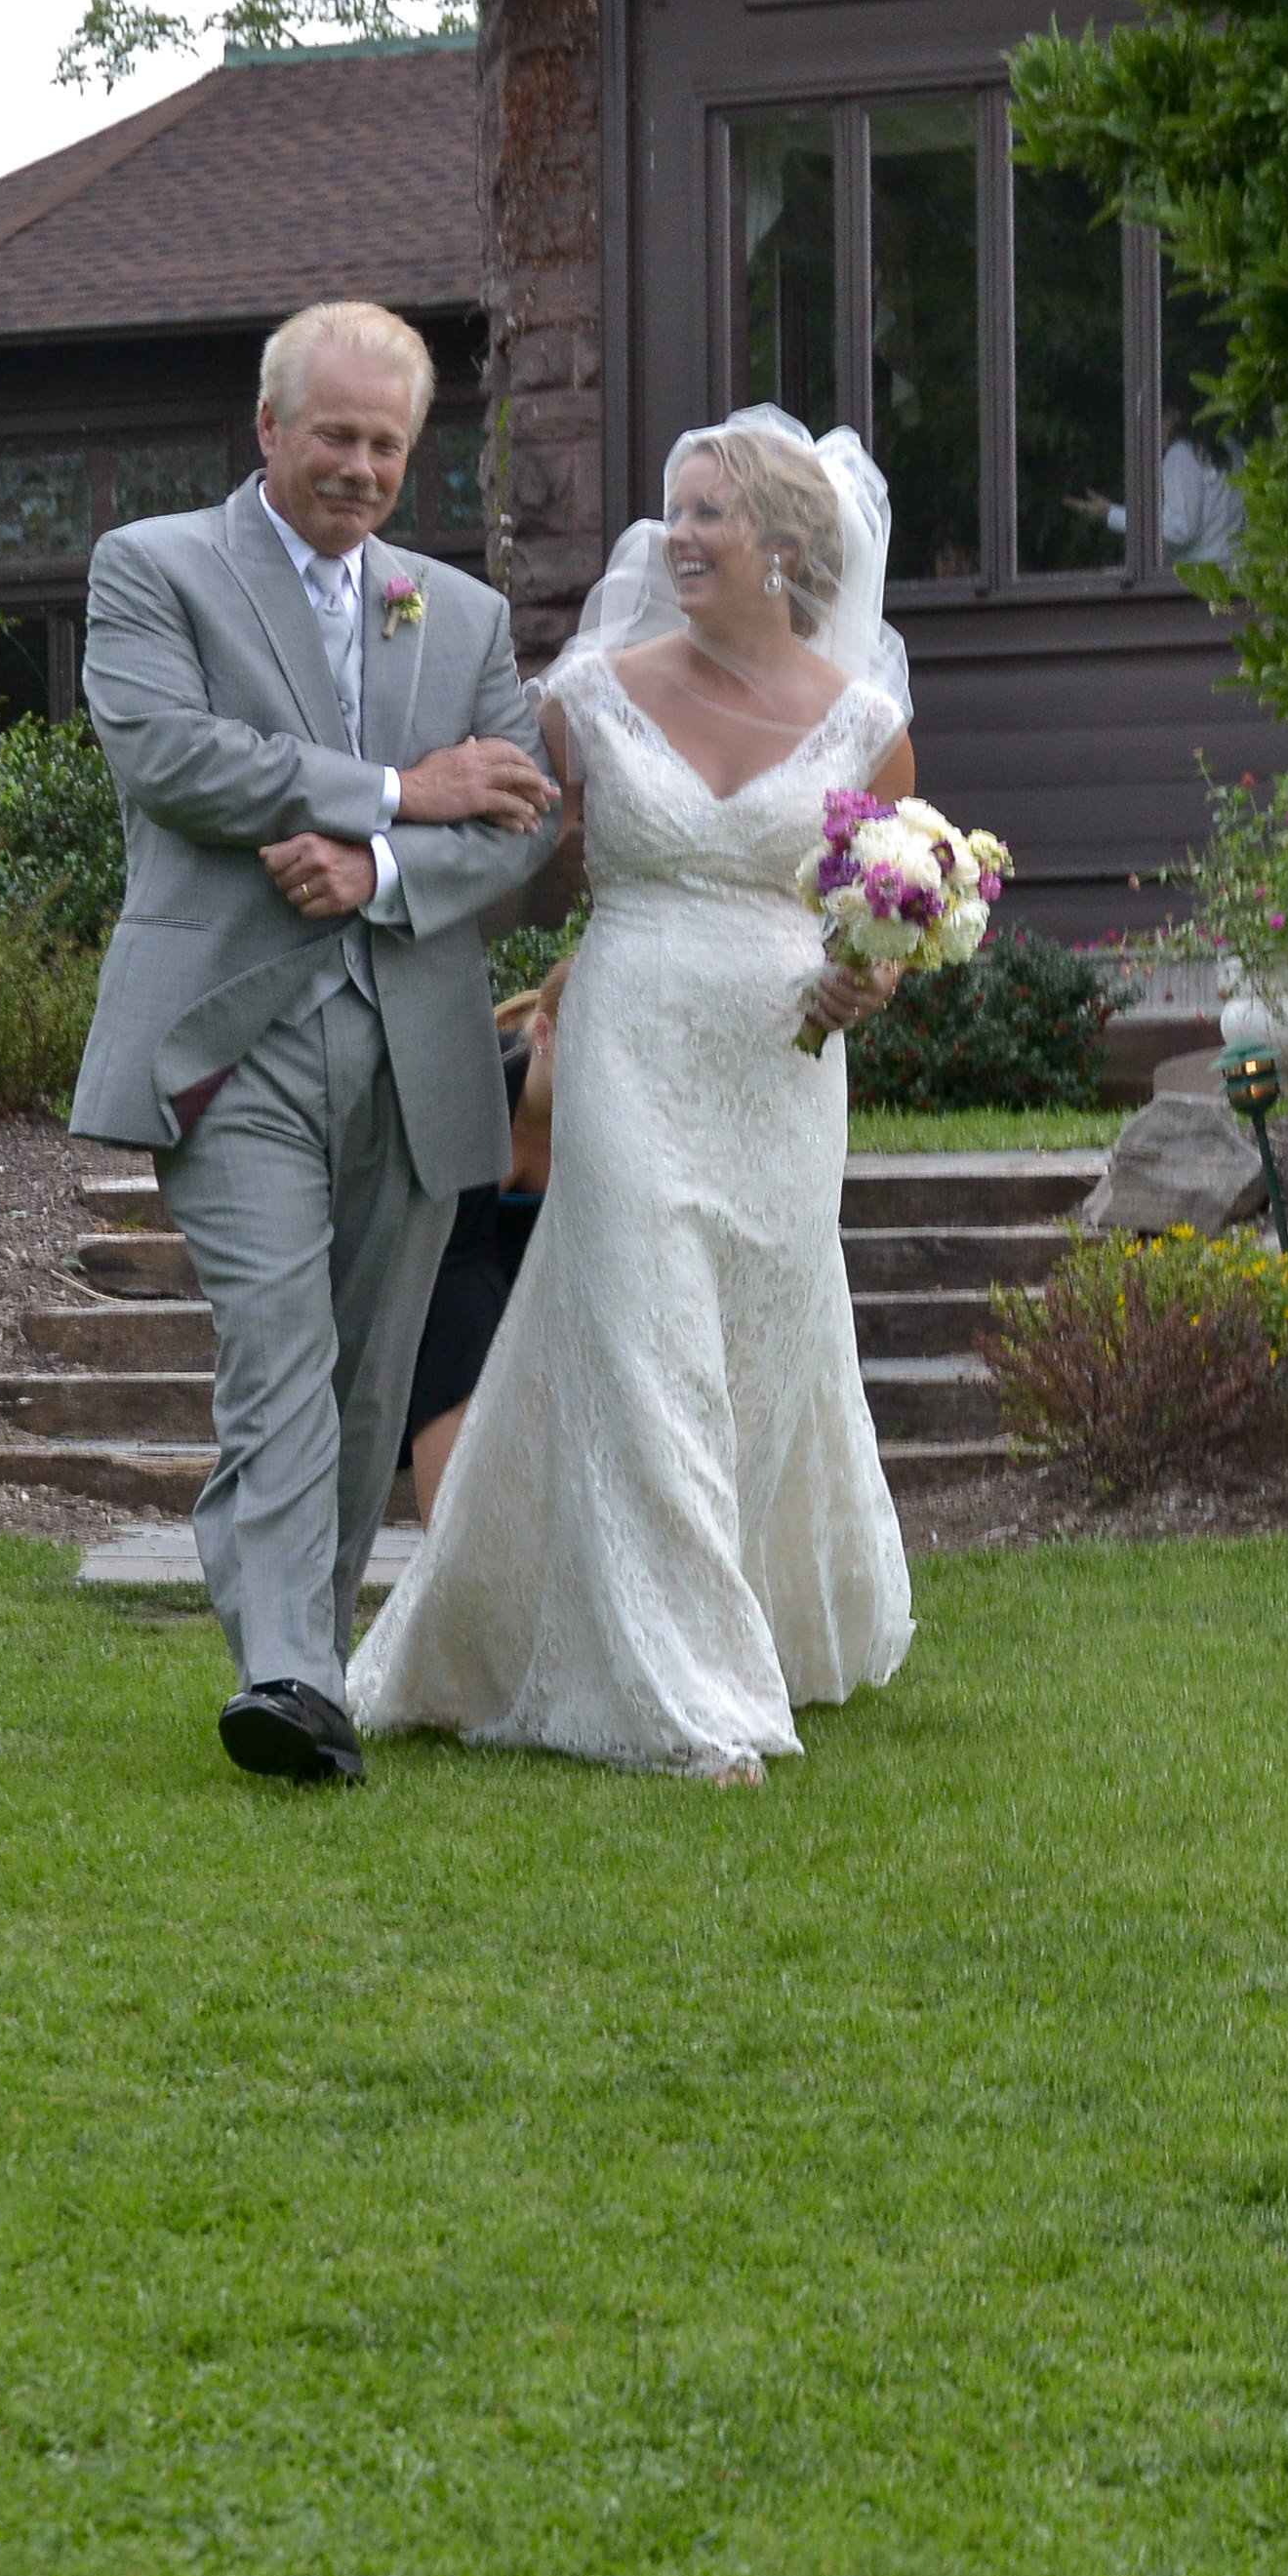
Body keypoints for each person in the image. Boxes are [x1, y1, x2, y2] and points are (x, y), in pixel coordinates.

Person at [348, 405, 918, 1785]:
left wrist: (873, 981)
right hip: (630, 1042)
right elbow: (520, 867)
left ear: (787, 545)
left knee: (758, 1342)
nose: (679, 534)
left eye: (711, 511)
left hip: (783, 1074)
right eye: (677, 509)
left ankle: (745, 1616)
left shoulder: (869, 723)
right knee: (646, 1332)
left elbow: (895, 908)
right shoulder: (590, 694)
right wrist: (384, 862)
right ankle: (691, 1694)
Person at [70, 300, 560, 1788]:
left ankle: (312, 1664)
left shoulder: (458, 615)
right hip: (231, 1040)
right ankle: (283, 1665)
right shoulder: (154, 569)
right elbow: (173, 759)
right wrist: (403, 795)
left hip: (414, 1038)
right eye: (333, 435)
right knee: (279, 1351)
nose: (358, 467)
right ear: (269, 426)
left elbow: (519, 824)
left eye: (386, 444)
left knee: (367, 1376)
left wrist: (384, 871)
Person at [400, 957, 568, 1523]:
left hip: (533, 1291)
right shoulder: (474, 1086)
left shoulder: (600, 1126)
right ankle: (446, 1548)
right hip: (436, 1289)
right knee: (465, 1309)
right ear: (542, 1035)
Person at [1067, 407, 1247, 575]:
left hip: (1199, 586)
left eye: (1159, 417)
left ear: (1174, 415)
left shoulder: (1181, 455)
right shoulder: (1232, 449)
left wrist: (1110, 513)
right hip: (1235, 576)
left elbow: (1181, 529)